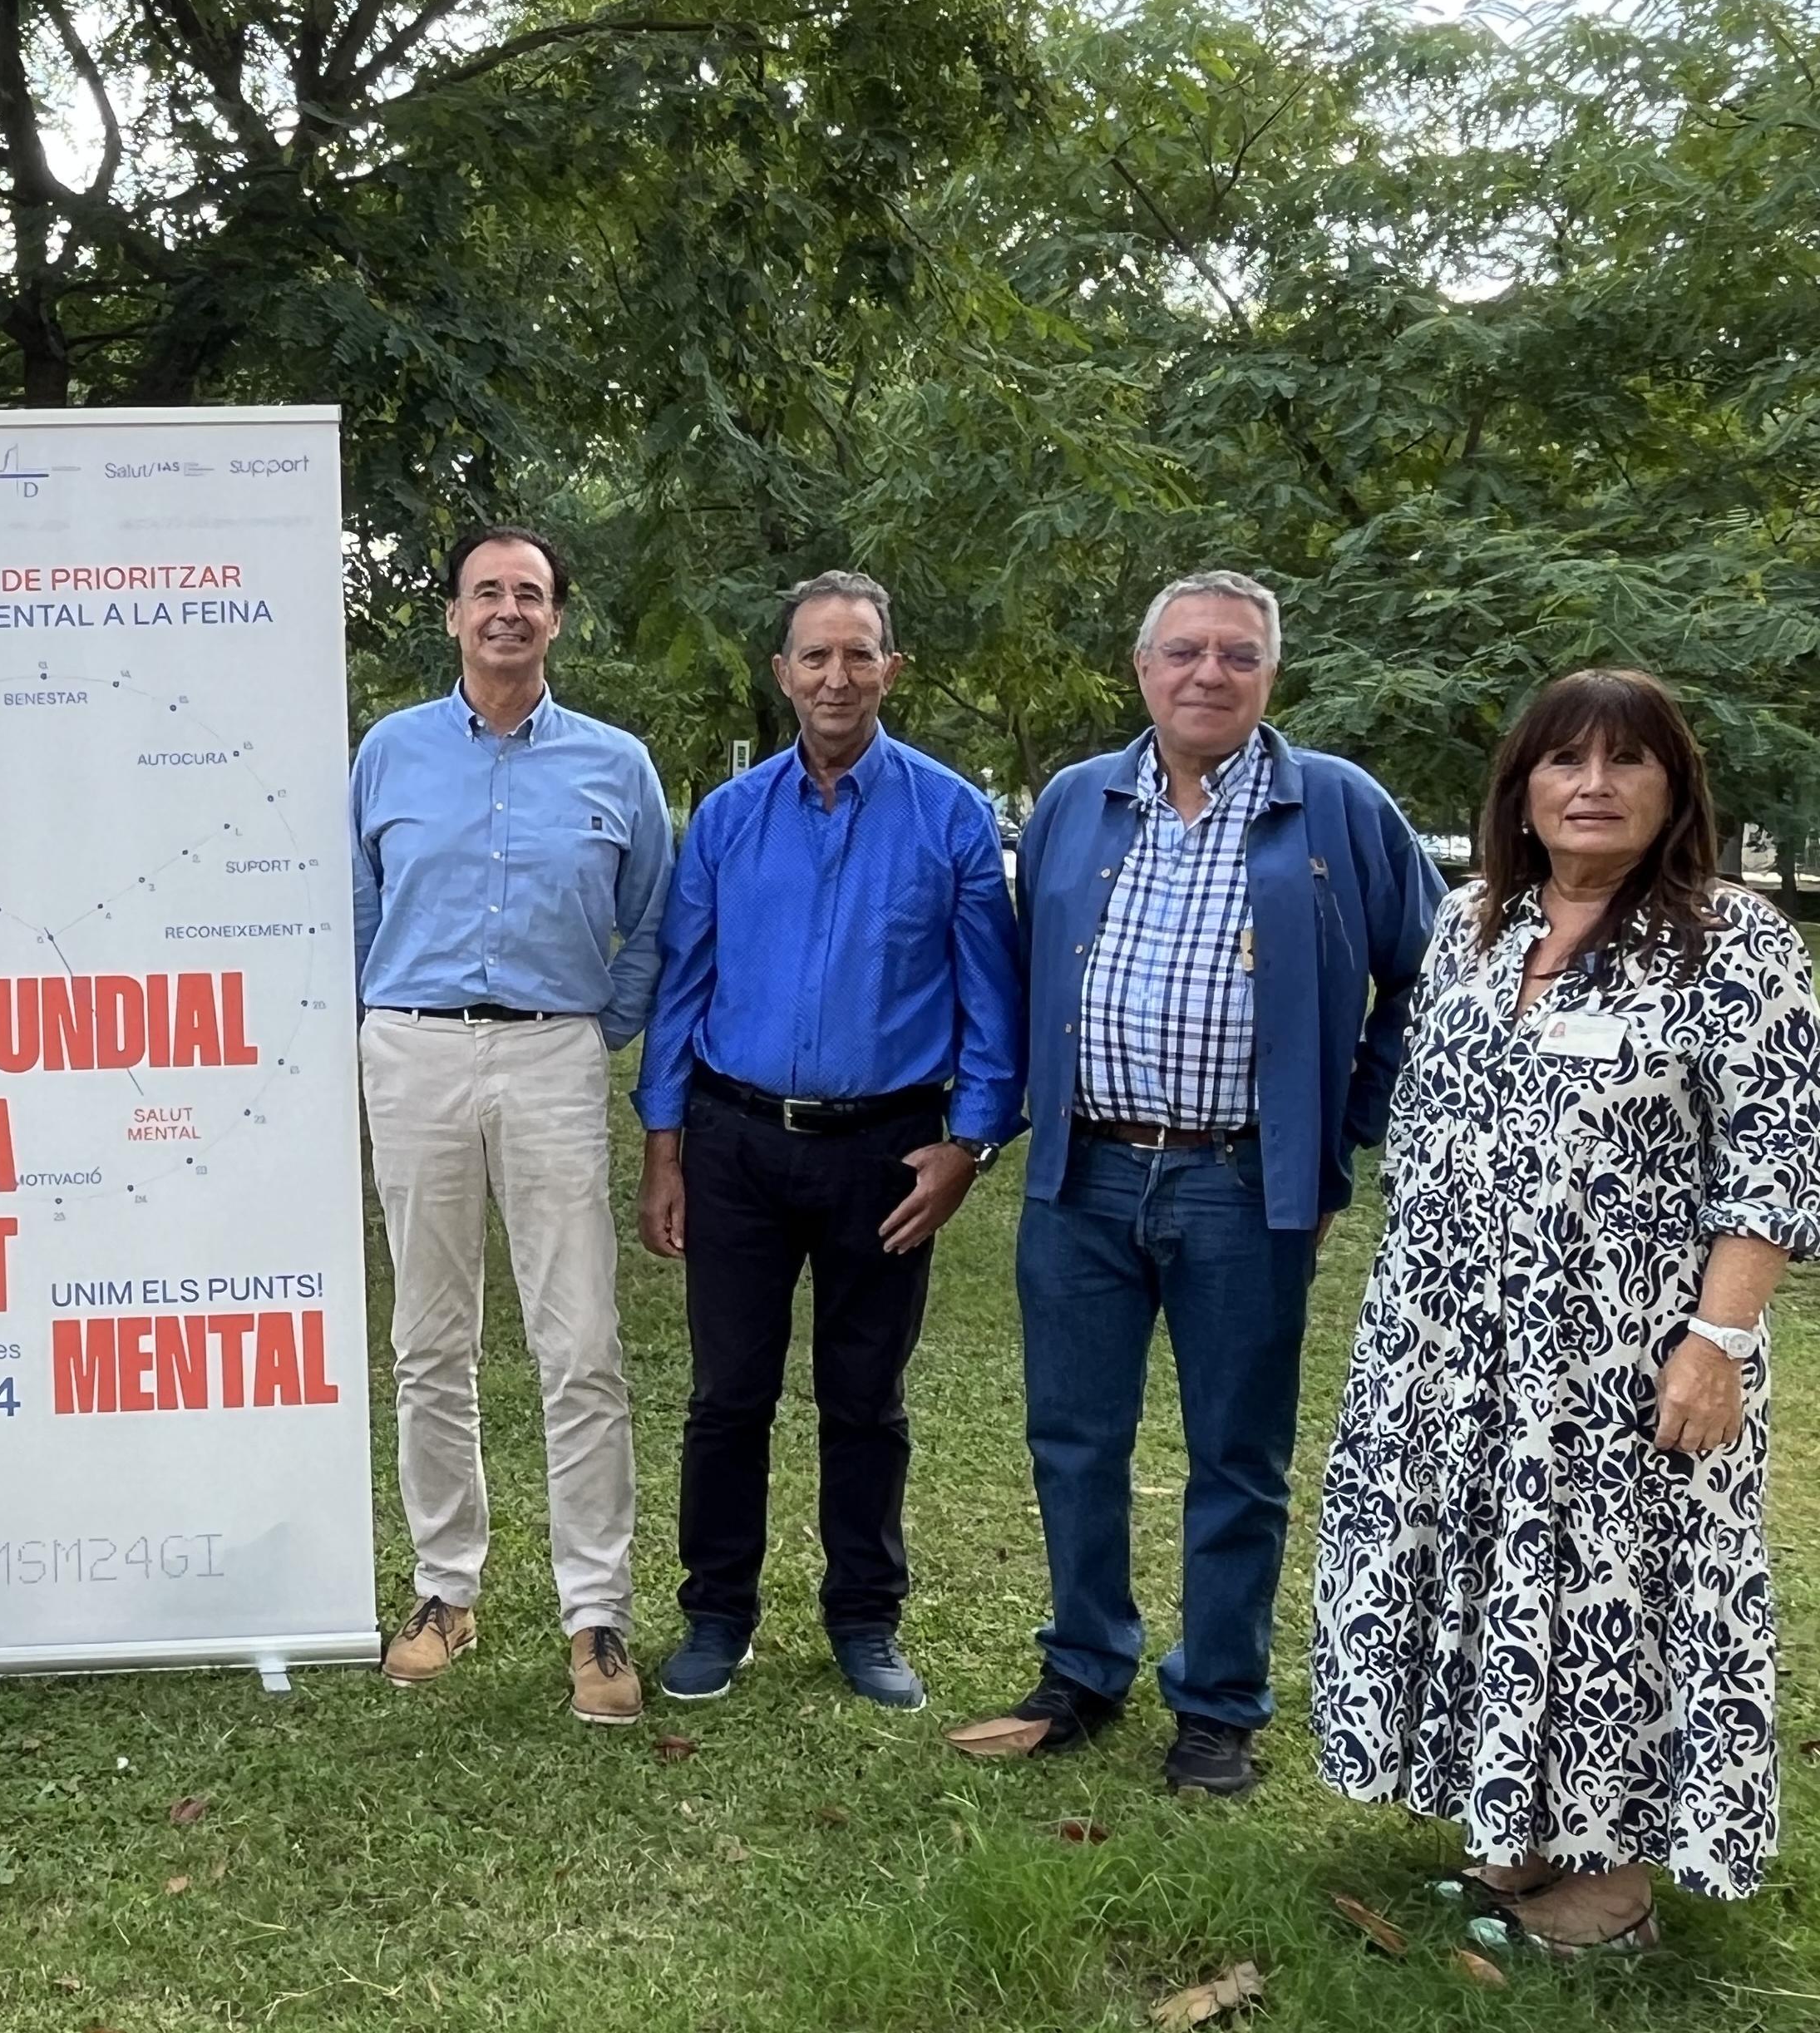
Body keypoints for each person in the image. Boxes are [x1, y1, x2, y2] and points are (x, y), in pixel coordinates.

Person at [1314, 670, 1820, 1951]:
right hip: (1451, 1338)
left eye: (1626, 762)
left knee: (1619, 1594)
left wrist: (1720, 1342)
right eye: (1564, 763)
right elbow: (1425, 1119)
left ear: (1673, 787)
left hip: (1630, 1352)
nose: (1592, 786)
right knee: (1491, 1568)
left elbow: (1773, 1157)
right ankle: (1523, 1838)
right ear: (1522, 793)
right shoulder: (1474, 922)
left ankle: (1616, 1882)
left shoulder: (1733, 942)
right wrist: (1403, 1322)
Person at [953, 570, 1443, 1794]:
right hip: (1084, 1176)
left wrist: (1343, 1130)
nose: (1207, 675)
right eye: (1184, 653)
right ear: (1143, 670)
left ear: (1272, 676)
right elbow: (1024, 972)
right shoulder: (1074, 801)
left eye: (1236, 656)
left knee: (1238, 1454)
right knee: (1075, 1437)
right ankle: (1084, 1664)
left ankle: (1218, 1702)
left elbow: (1436, 981)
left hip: (1241, 1184)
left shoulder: (1334, 805)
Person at [634, 572, 1025, 1711]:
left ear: (891, 669)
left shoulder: (951, 815)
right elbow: (682, 985)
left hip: (887, 1153)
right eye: (815, 658)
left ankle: (864, 1617)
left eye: (859, 656)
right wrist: (665, 1146)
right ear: (783, 673)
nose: (836, 678)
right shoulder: (726, 818)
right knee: (728, 1394)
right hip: (736, 1142)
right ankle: (716, 1612)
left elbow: (991, 1003)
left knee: (866, 1397)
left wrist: (970, 1146)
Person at [350, 526, 673, 1725]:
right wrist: (378, 1024)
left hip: (550, 1048)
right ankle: (447, 1589)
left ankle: (598, 1615)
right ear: (451, 617)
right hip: (416, 1047)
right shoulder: (387, 754)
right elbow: (355, 904)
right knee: (430, 1340)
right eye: (485, 592)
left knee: (578, 1341)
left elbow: (651, 916)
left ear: (556, 620)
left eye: (528, 594)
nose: (506, 611)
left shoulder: (614, 763)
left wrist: (603, 1025)